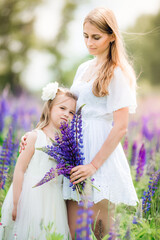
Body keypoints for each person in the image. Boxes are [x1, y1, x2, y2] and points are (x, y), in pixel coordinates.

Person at [19, 7, 139, 240]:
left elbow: (121, 126)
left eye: (96, 37)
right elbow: (64, 110)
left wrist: (93, 166)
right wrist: (37, 134)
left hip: (99, 156)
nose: (89, 42)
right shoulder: (83, 68)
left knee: (102, 231)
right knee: (74, 233)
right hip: (74, 151)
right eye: (85, 36)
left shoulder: (117, 73)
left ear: (112, 36)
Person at [0, 82, 77, 240]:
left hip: (54, 201)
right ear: (49, 107)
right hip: (30, 196)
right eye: (62, 108)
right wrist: (16, 203)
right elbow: (20, 170)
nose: (66, 114)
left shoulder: (66, 145)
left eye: (71, 112)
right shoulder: (35, 136)